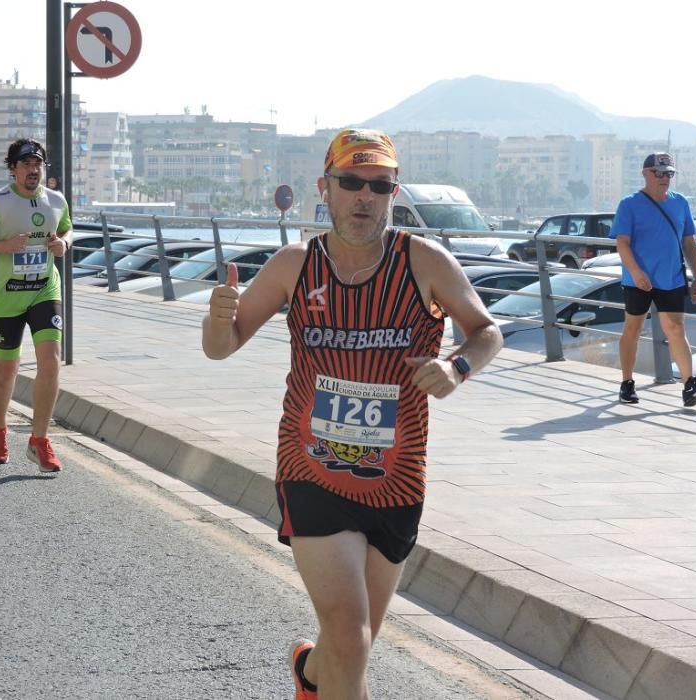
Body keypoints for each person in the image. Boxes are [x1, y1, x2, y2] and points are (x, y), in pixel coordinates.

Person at [202, 128, 502, 699]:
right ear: (326, 188)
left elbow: (487, 332)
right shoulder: (295, 266)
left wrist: (457, 367)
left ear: (394, 193)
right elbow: (222, 346)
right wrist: (218, 317)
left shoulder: (425, 262)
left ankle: (308, 673)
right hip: (310, 469)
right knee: (351, 637)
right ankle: (321, 670)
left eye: (379, 185)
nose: (364, 196)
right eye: (350, 183)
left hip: (395, 481)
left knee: (350, 646)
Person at [0, 138, 73, 474]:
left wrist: (62, 245)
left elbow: (69, 231)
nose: (33, 169)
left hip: (44, 290)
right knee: (6, 371)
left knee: (51, 361)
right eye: (26, 164)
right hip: (6, 296)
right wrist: (6, 245)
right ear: (13, 169)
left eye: (38, 163)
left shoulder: (56, 200)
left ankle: (39, 440)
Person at [610, 152, 696, 407]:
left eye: (669, 173)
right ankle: (626, 383)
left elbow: (689, 242)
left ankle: (689, 385)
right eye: (659, 173)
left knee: (676, 329)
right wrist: (635, 272)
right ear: (646, 174)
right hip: (638, 280)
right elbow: (622, 243)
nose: (664, 178)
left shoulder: (680, 203)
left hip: (672, 277)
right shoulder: (629, 204)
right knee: (632, 329)